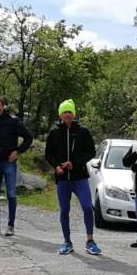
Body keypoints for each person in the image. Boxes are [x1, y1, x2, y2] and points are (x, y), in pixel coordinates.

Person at [45, 99, 100, 255]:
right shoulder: (54, 133)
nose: (67, 115)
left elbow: (91, 152)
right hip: (62, 179)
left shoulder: (83, 132)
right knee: (64, 210)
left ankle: (90, 241)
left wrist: (74, 164)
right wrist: (56, 166)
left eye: (70, 112)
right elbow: (49, 154)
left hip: (80, 177)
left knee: (87, 207)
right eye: (65, 112)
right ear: (60, 114)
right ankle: (67, 242)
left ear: (74, 114)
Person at [0, 96, 33, 236]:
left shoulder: (13, 121)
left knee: (11, 194)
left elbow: (28, 138)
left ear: (3, 106)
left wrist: (18, 151)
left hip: (9, 163)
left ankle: (10, 226)